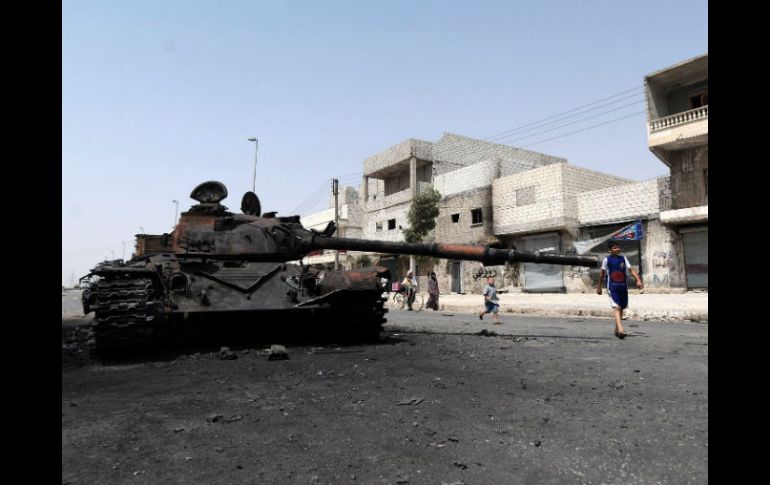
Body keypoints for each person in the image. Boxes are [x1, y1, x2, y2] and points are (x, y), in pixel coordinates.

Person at [596, 241, 643, 339]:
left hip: (623, 286)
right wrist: (599, 286)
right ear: (610, 250)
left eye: (618, 247)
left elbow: (631, 270)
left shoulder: (623, 258)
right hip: (612, 287)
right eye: (614, 248)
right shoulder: (607, 260)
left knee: (621, 308)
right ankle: (621, 330)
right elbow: (602, 273)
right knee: (616, 307)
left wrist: (638, 280)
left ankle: (616, 330)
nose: (617, 249)